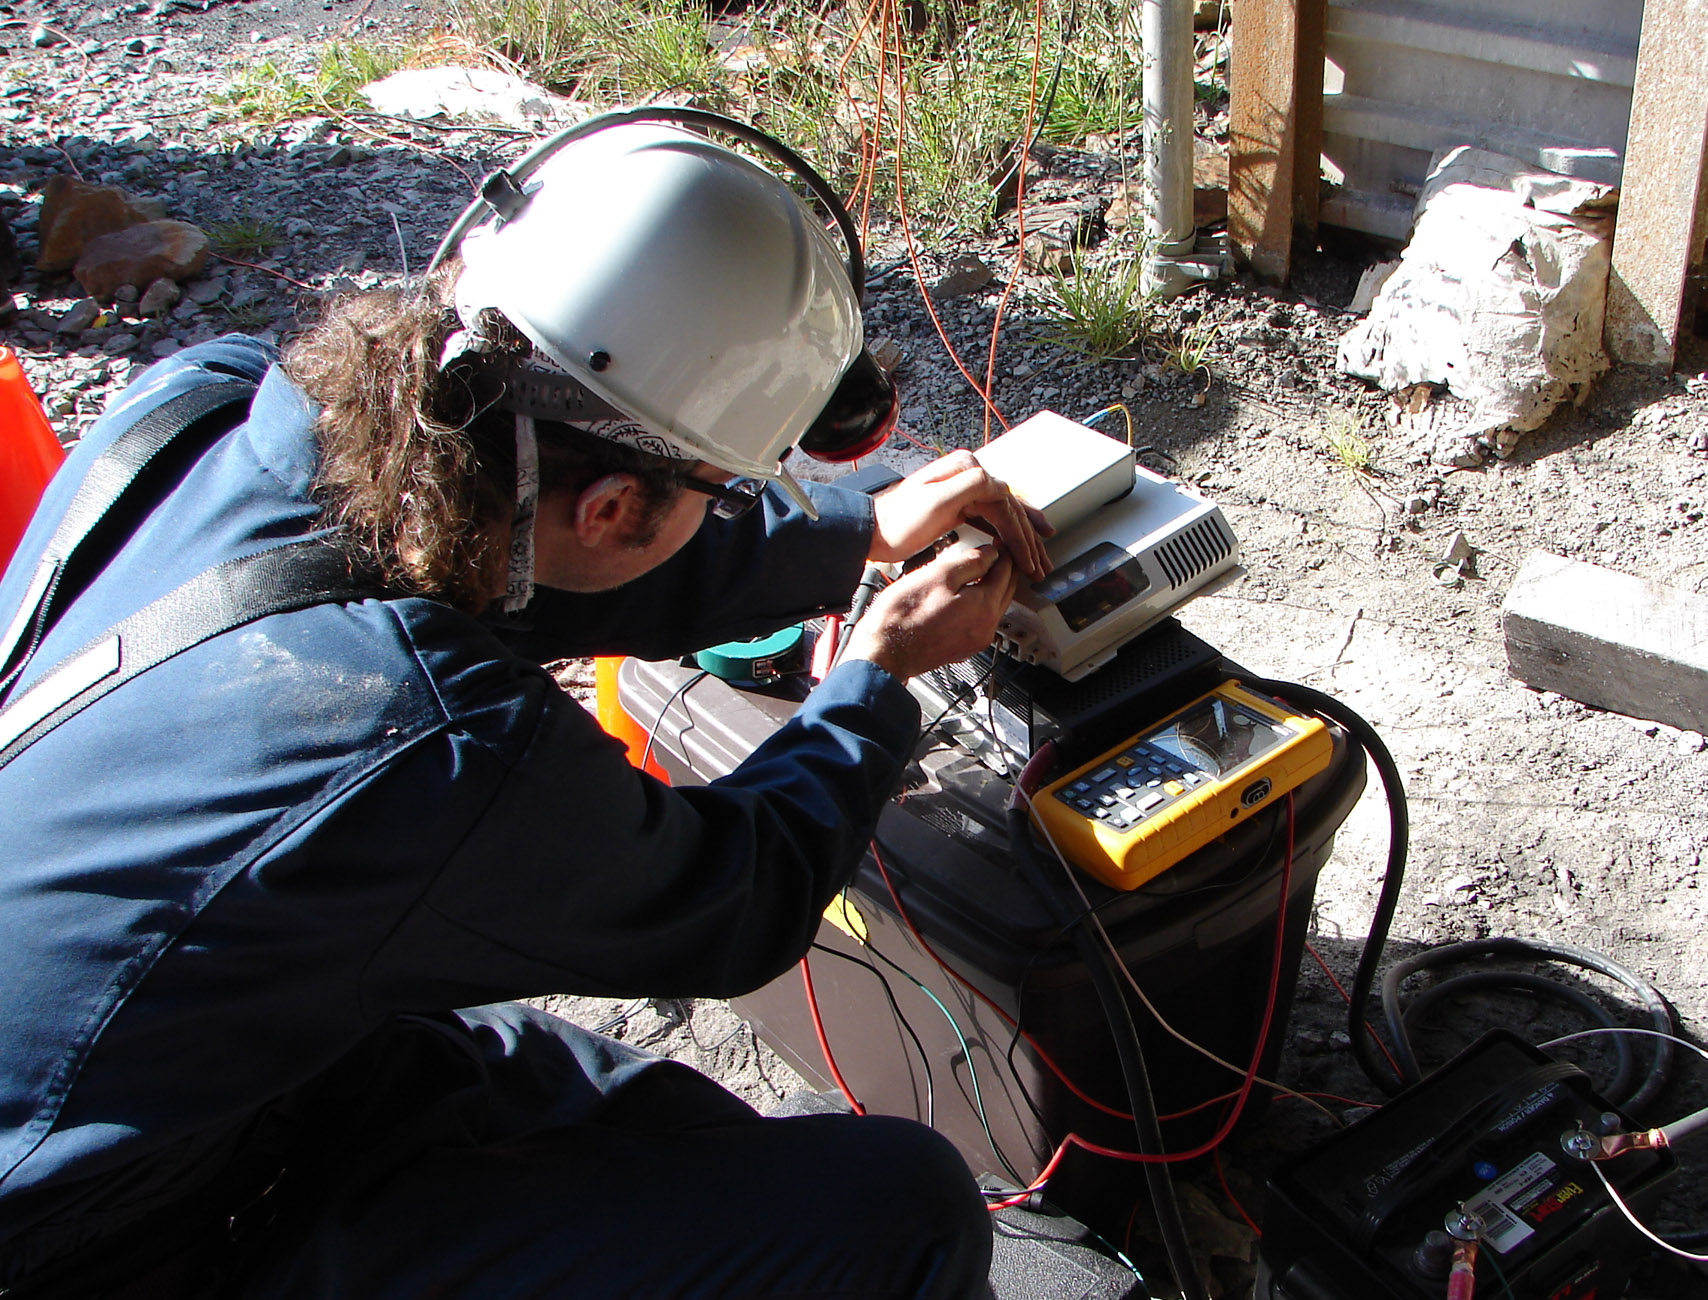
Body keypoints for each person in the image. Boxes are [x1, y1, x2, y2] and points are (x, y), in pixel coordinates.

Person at [0, 112, 1051, 1298]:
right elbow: (728, 900)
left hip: (189, 1072)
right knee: (898, 1212)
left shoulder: (213, 406)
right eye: (717, 492)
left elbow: (529, 563)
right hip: (113, 1242)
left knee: (668, 1124)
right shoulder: (421, 740)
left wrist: (853, 532)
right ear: (610, 507)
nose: (714, 512)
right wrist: (875, 677)